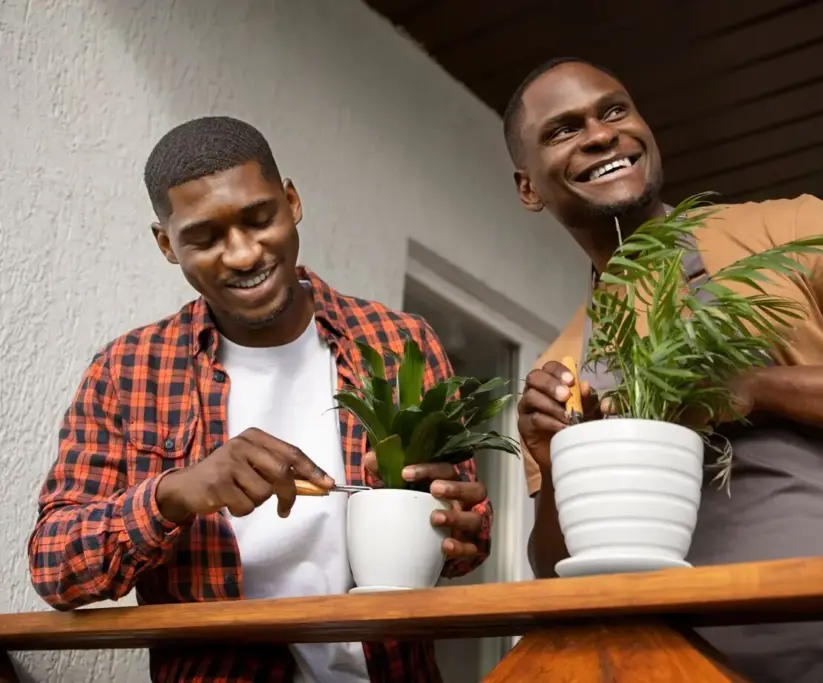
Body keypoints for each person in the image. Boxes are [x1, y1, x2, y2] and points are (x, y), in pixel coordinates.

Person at [505, 58, 823, 682]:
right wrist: (556, 469)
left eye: (614, 111)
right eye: (563, 130)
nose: (602, 134)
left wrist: (752, 386)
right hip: (663, 667)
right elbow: (558, 576)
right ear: (528, 188)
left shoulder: (791, 231)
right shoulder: (559, 366)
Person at [28, 116, 491, 683]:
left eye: (259, 219)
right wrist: (175, 494)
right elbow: (53, 566)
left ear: (291, 202)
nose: (243, 255)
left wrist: (456, 522)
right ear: (167, 244)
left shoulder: (400, 343)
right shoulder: (128, 370)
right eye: (205, 238)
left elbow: (469, 539)